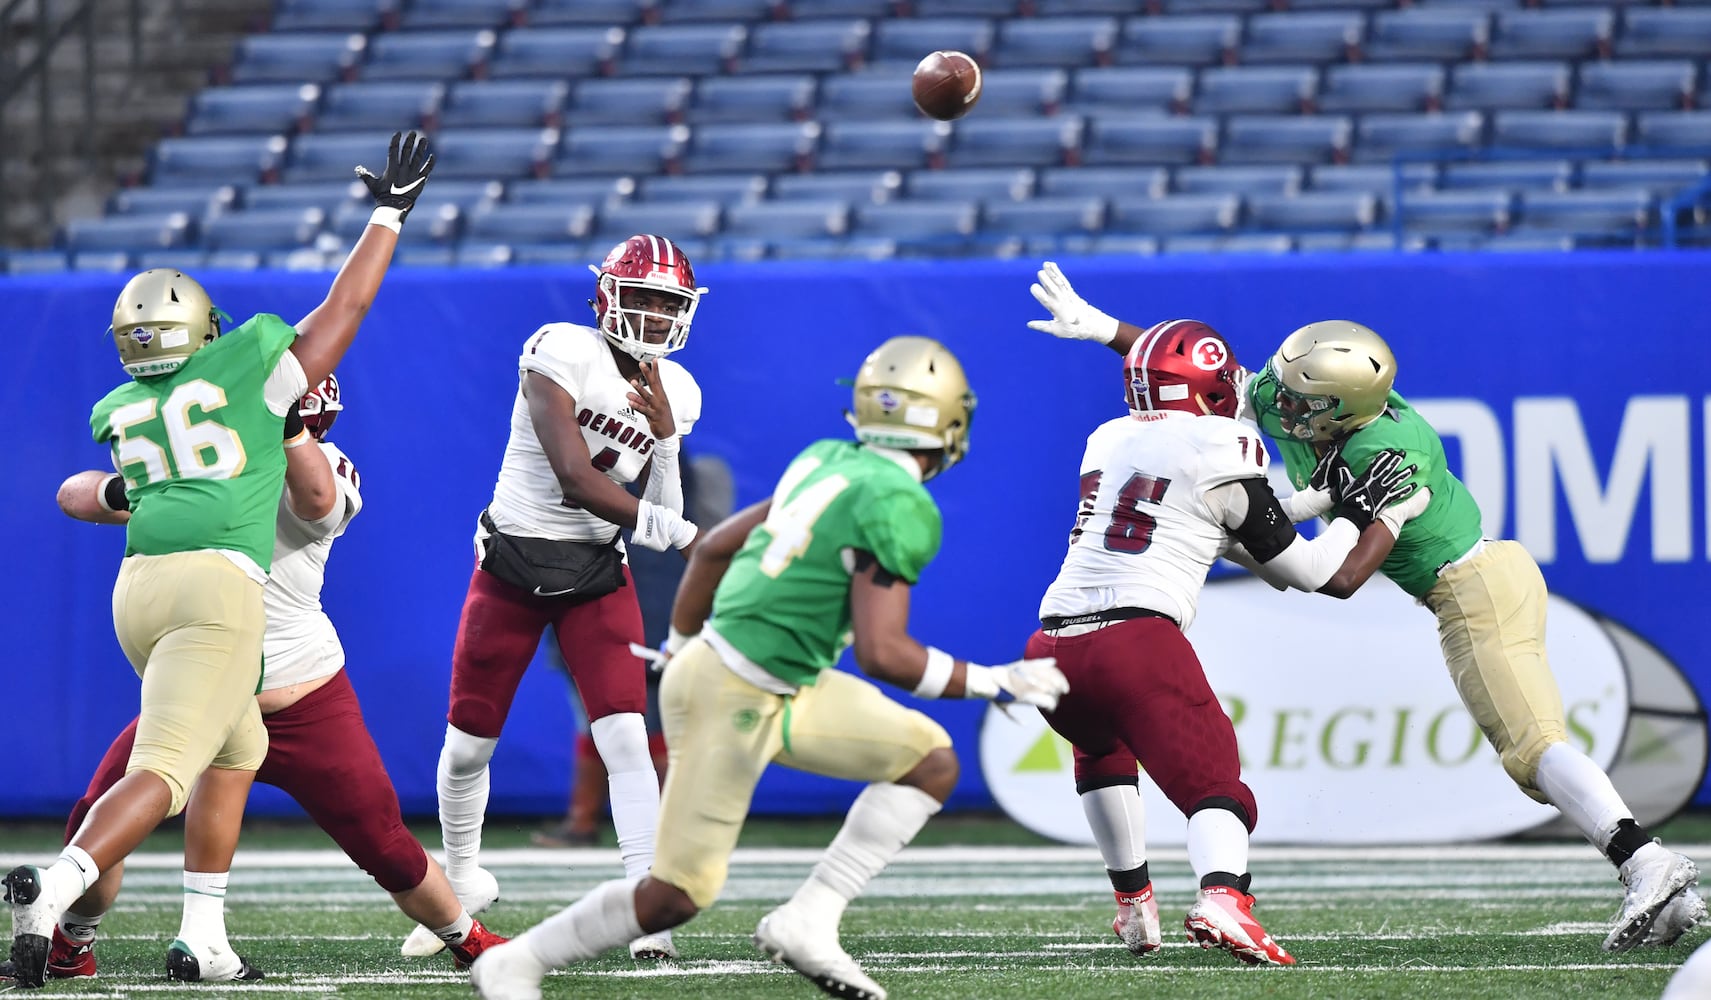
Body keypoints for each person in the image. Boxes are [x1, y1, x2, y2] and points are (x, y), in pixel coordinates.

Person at [1026, 261, 1706, 954]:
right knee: (1525, 754)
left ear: (1344, 410)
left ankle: (1646, 860)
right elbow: (1207, 380)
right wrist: (1112, 333)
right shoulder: (1299, 395)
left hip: (1475, 585)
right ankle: (1668, 901)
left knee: (1530, 751)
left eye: (1298, 404)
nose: (1274, 407)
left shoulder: (1388, 450)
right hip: (1448, 587)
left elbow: (1342, 577)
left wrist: (1342, 513)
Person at [469, 336, 1070, 1000]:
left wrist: (678, 642)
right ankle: (517, 961)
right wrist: (997, 682)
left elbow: (715, 548)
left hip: (776, 681)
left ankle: (808, 920)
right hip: (735, 691)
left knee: (928, 761)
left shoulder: (823, 458)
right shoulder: (900, 502)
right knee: (674, 895)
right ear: (950, 426)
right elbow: (884, 654)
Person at [6, 131, 434, 989]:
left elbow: (303, 498)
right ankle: (60, 893)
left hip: (180, 617)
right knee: (162, 778)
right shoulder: (248, 387)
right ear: (206, 332)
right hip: (214, 612)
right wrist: (388, 218)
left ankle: (203, 936)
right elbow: (340, 313)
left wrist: (127, 493)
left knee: (232, 760)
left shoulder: (128, 405)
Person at [36, 376, 504, 983]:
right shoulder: (199, 470)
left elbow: (315, 500)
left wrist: (280, 429)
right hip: (204, 687)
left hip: (302, 694)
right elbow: (72, 495)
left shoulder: (322, 468)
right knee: (95, 821)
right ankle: (73, 940)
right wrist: (127, 488)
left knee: (382, 841)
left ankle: (466, 937)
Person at [1021, 315, 1424, 967]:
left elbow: (1218, 520)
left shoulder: (1107, 437)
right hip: (1135, 640)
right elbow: (1317, 574)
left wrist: (1317, 498)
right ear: (1207, 389)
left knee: (1101, 749)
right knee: (1216, 783)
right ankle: (1224, 897)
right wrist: (1374, 515)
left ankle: (1133, 903)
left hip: (1050, 644)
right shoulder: (1221, 447)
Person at [418, 234, 707, 963]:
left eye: (664, 303)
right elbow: (576, 476)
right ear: (606, 295)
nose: (650, 313)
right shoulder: (560, 347)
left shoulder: (682, 388)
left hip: (594, 575)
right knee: (465, 750)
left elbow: (658, 506)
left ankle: (648, 905)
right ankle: (458, 881)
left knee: (625, 740)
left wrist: (666, 440)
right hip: (513, 566)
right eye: (638, 296)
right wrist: (660, 525)